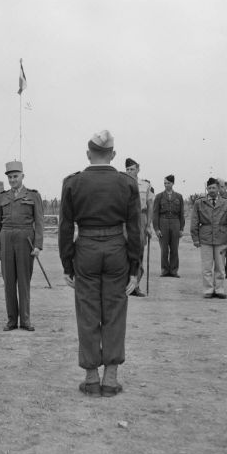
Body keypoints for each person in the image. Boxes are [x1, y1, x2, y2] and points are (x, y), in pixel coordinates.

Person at [58, 130, 141, 397]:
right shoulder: (127, 183)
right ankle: (111, 378)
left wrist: (67, 264)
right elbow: (135, 229)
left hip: (86, 249)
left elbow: (65, 227)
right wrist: (134, 267)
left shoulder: (72, 183)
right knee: (115, 311)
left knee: (87, 311)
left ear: (87, 153)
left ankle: (92, 378)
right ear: (113, 155)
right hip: (117, 248)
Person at [0, 160, 43, 332]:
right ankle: (12, 320)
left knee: (24, 281)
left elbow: (39, 222)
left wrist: (38, 245)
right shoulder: (2, 196)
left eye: (16, 176)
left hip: (25, 240)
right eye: (10, 177)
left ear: (23, 176)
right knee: (8, 283)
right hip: (6, 238)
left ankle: (26, 320)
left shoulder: (33, 196)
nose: (13, 180)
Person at [190, 177, 227, 299]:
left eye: (214, 187)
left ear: (218, 188)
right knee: (207, 266)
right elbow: (194, 221)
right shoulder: (199, 203)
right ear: (207, 189)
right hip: (206, 238)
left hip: (221, 238)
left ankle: (219, 289)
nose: (212, 190)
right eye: (209, 188)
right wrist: (195, 238)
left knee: (220, 267)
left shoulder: (226, 203)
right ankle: (208, 290)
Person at [125, 158, 154, 296]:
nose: (130, 171)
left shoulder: (146, 185)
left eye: (132, 169)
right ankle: (123, 285)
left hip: (140, 219)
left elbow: (150, 206)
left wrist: (148, 225)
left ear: (138, 169)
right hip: (125, 219)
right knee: (124, 250)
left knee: (139, 251)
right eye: (128, 169)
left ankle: (135, 286)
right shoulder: (121, 183)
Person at [152, 175, 185, 277]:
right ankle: (165, 270)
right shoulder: (159, 196)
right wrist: (156, 229)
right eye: (165, 183)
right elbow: (155, 213)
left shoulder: (179, 197)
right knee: (164, 249)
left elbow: (181, 214)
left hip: (175, 223)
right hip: (163, 222)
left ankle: (174, 271)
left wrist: (181, 229)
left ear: (173, 183)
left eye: (168, 183)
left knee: (174, 248)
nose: (166, 185)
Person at [217, 178, 227, 279]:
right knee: (220, 252)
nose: (219, 189)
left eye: (221, 187)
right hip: (219, 230)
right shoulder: (214, 199)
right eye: (218, 186)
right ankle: (221, 272)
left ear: (226, 187)